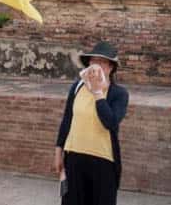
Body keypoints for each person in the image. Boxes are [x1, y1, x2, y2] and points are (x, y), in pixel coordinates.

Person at [54, 41, 129, 205]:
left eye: (102, 62)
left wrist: (97, 92)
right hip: (73, 158)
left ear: (110, 67)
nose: (96, 67)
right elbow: (67, 120)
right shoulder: (77, 87)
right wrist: (59, 151)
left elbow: (110, 122)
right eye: (93, 62)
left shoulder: (119, 94)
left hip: (103, 161)